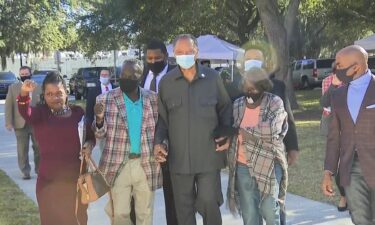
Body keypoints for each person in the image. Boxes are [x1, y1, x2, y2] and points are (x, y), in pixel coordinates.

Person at [154, 34, 232, 225]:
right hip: (179, 161)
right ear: (174, 54)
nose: (185, 55)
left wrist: (226, 134)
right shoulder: (166, 83)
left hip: (208, 157)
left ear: (196, 52)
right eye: (180, 52)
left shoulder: (213, 78)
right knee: (184, 211)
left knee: (208, 202)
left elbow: (225, 108)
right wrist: (158, 143)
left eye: (189, 51)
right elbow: (162, 120)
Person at [17, 72, 95, 225]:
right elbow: (25, 111)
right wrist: (24, 92)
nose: (55, 98)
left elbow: (90, 137)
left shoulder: (78, 113)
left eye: (59, 93)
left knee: (78, 220)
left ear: (66, 92)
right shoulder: (40, 114)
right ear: (44, 96)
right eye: (49, 94)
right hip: (49, 184)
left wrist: (89, 145)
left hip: (77, 182)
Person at [91, 59, 162, 225]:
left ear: (139, 77)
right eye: (123, 74)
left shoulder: (153, 99)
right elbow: (99, 134)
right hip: (118, 164)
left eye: (131, 75)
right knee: (120, 214)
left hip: (145, 163)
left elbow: (160, 128)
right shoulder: (105, 99)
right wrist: (99, 119)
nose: (126, 78)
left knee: (145, 213)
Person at [242, 48, 299, 225]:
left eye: (256, 58)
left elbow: (287, 118)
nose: (252, 61)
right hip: (245, 158)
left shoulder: (278, 86)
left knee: (272, 206)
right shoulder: (233, 86)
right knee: (250, 211)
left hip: (273, 156)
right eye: (248, 58)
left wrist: (293, 147)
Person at [227, 68, 288, 225]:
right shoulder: (238, 104)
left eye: (253, 89)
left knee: (270, 209)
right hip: (242, 166)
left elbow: (271, 130)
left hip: (269, 164)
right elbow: (234, 131)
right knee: (249, 213)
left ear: (263, 87)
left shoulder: (275, 102)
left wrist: (241, 131)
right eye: (246, 89)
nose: (249, 93)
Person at [322, 45, 375, 224]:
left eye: (339, 64)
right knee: (361, 220)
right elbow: (334, 137)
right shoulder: (337, 95)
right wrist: (328, 172)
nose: (336, 68)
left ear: (356, 67)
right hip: (351, 168)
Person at [140, 40, 178, 225]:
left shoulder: (177, 74)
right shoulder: (144, 74)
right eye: (149, 58)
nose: (153, 61)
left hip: (171, 144)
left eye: (157, 58)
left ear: (166, 57)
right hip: (145, 145)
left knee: (172, 196)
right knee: (141, 196)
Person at [319, 62, 347, 212]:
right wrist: (333, 87)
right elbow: (325, 104)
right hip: (335, 127)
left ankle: (351, 196)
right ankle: (344, 195)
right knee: (336, 166)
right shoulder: (328, 81)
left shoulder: (354, 81)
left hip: (352, 128)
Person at [5, 66, 41, 179]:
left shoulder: (39, 87)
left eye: (26, 73)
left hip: (36, 123)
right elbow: (8, 105)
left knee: (39, 147)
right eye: (22, 74)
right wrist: (8, 122)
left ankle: (39, 170)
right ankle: (25, 171)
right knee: (22, 149)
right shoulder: (13, 88)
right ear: (19, 75)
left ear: (31, 73)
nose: (24, 75)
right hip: (20, 123)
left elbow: (44, 105)